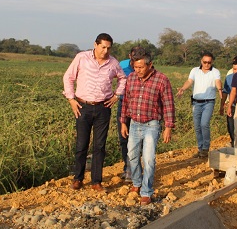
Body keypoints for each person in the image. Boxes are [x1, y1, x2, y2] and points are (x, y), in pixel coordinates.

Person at [63, 33, 126, 192]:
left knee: (100, 145)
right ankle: (78, 178)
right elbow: (68, 77)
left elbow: (122, 79)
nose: (105, 51)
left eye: (108, 48)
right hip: (82, 106)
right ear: (95, 45)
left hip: (103, 107)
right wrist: (71, 99)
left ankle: (96, 181)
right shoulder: (82, 58)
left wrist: (117, 95)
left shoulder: (113, 63)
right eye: (103, 47)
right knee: (81, 144)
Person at [120, 48, 175, 205]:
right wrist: (123, 122)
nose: (137, 71)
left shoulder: (161, 80)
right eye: (135, 67)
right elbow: (126, 102)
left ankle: (146, 191)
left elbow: (168, 104)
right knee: (132, 156)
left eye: (141, 67)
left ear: (150, 65)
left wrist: (168, 127)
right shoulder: (130, 78)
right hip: (134, 124)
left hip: (152, 125)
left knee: (149, 159)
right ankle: (136, 183)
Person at [177, 52, 222, 158]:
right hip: (196, 102)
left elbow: (218, 81)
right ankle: (200, 148)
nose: (207, 64)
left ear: (212, 62)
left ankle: (206, 148)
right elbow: (189, 81)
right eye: (205, 62)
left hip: (209, 102)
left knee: (204, 124)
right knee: (197, 127)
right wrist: (183, 88)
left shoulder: (215, 71)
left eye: (209, 62)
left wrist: (220, 89)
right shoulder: (194, 70)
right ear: (201, 61)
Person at [117, 46, 142, 182]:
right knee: (123, 138)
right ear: (130, 56)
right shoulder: (121, 65)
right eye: (134, 57)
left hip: (139, 106)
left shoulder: (145, 67)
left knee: (136, 139)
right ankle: (127, 166)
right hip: (123, 104)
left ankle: (133, 170)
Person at [219, 58, 237, 147]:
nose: (236, 71)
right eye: (234, 69)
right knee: (231, 125)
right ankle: (234, 142)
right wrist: (222, 105)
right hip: (232, 105)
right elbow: (225, 92)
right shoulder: (229, 78)